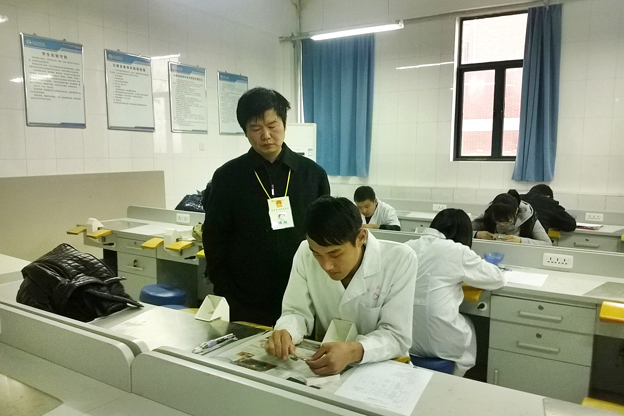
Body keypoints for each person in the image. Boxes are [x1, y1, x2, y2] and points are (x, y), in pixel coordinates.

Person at [202, 87, 330, 326]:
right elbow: (214, 235)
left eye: (272, 125)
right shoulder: (228, 177)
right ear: (245, 132)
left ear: (284, 125)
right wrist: (224, 286)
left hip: (303, 293)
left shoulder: (312, 174)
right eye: (256, 128)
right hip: (244, 297)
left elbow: (325, 235)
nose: (266, 135)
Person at [265, 196, 418, 375]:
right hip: (326, 365)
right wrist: (286, 331)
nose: (326, 265)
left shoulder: (399, 259)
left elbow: (396, 336)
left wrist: (354, 351)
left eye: (335, 254)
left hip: (380, 366)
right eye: (317, 254)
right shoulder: (305, 252)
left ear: (360, 237)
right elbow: (296, 312)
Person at [405, 209, 506, 376]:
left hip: (407, 340)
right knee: (469, 325)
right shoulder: (456, 250)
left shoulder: (408, 246)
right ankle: (457, 377)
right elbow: (497, 279)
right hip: (438, 343)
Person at [472, 190, 552, 246]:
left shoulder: (529, 219)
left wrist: (521, 241)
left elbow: (547, 244)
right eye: (497, 221)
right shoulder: (489, 214)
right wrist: (477, 234)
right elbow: (465, 231)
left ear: (516, 212)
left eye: (507, 221)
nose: (501, 225)